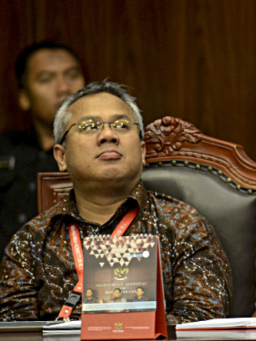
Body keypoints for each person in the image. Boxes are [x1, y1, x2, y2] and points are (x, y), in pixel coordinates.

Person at [0, 81, 232, 324]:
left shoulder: (184, 226)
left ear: (142, 152)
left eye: (121, 125)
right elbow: (16, 331)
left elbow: (201, 322)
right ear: (61, 156)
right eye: (90, 126)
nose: (108, 135)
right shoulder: (30, 242)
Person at [0, 41, 86, 257]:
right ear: (24, 97)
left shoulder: (105, 149)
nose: (64, 88)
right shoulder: (6, 149)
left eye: (72, 75)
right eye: (46, 79)